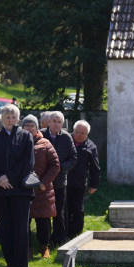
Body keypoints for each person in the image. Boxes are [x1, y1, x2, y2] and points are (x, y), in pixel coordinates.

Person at [0, 103, 34, 267]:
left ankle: (19, 265)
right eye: (7, 117)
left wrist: (8, 178)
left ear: (19, 118)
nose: (11, 120)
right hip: (0, 191)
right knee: (5, 227)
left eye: (13, 117)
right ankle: (9, 261)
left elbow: (28, 163)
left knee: (20, 227)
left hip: (20, 190)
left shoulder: (26, 137)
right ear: (2, 119)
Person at [22, 115, 59, 259]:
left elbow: (55, 165)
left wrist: (44, 182)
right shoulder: (17, 142)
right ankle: (28, 249)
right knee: (24, 221)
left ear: (37, 128)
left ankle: (44, 248)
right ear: (22, 127)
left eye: (32, 125)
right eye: (27, 125)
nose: (30, 127)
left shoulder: (45, 143)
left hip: (42, 189)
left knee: (43, 221)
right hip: (23, 190)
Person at [44, 111, 77, 247]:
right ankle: (44, 239)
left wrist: (59, 167)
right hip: (43, 181)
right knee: (44, 211)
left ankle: (59, 238)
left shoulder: (66, 137)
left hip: (59, 181)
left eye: (59, 122)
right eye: (54, 121)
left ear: (62, 124)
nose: (56, 124)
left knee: (59, 211)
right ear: (49, 122)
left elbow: (73, 158)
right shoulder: (41, 135)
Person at [67, 120, 100, 238]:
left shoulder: (91, 146)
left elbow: (95, 167)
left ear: (87, 134)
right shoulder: (66, 140)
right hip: (63, 182)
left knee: (77, 209)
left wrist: (94, 184)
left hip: (79, 183)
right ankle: (63, 232)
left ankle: (75, 234)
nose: (79, 135)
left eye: (83, 133)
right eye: (77, 132)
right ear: (73, 130)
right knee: (64, 209)